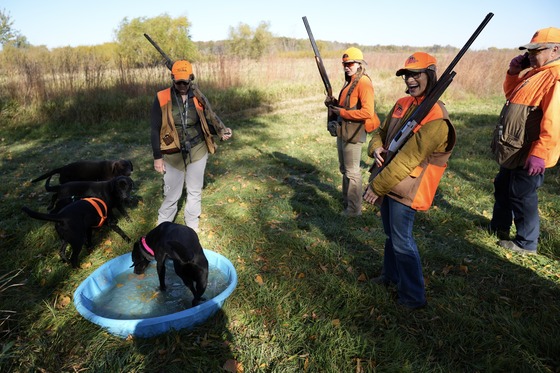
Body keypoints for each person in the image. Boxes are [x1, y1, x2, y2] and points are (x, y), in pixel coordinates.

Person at [363, 52, 456, 309]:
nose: (410, 80)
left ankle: (413, 297)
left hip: (408, 187)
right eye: (407, 75)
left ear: (431, 75)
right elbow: (378, 133)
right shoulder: (403, 103)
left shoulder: (437, 117)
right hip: (389, 180)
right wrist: (376, 149)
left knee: (402, 239)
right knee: (390, 235)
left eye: (416, 74)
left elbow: (407, 160)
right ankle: (390, 277)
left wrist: (376, 186)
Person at [489, 27, 560, 254]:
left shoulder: (555, 77)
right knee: (502, 187)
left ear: (555, 50)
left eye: (536, 50)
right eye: (528, 51)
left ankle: (526, 243)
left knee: (522, 195)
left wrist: (539, 152)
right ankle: (499, 227)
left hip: (529, 151)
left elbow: (554, 120)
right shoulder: (535, 73)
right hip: (514, 149)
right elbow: (511, 96)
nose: (530, 55)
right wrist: (513, 72)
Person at [150, 60, 232, 232]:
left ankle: (192, 229)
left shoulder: (198, 97)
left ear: (191, 79)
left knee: (194, 191)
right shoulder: (162, 97)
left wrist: (220, 131)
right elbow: (154, 128)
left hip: (198, 149)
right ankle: (162, 229)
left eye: (185, 82)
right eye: (178, 81)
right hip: (172, 153)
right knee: (172, 194)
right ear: (172, 78)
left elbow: (202, 125)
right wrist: (157, 156)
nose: (181, 85)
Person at [325, 47, 380, 217]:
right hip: (344, 130)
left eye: (350, 63)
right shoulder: (350, 81)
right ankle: (347, 201)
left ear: (359, 64)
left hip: (354, 132)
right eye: (345, 64)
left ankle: (354, 210)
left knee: (352, 171)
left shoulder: (363, 82)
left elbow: (367, 112)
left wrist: (341, 113)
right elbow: (346, 105)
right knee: (344, 169)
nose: (347, 67)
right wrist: (334, 104)